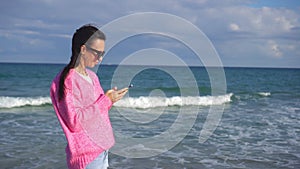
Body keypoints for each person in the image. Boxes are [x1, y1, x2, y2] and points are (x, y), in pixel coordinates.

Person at [50, 24, 128, 169]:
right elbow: (75, 122)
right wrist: (105, 101)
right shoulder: (68, 80)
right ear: (83, 49)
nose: (100, 58)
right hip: (87, 157)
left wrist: (110, 99)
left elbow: (97, 112)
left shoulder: (92, 77)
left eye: (102, 53)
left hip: (101, 150)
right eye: (97, 53)